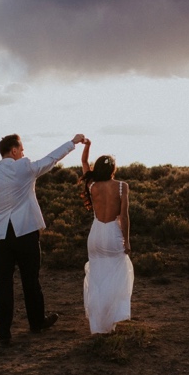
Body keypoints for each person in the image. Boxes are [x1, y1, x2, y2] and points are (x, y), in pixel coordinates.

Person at [0, 133, 86, 347]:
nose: (24, 152)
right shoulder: (26, 168)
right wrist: (72, 143)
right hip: (26, 232)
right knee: (30, 280)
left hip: (0, 236)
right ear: (13, 151)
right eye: (21, 149)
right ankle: (36, 323)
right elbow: (51, 159)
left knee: (2, 284)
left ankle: (3, 332)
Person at [79, 139, 134, 335]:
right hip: (112, 233)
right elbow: (124, 216)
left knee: (97, 277)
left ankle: (99, 325)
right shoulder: (122, 186)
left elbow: (84, 162)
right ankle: (110, 322)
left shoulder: (92, 184)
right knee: (116, 276)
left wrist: (87, 145)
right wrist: (126, 240)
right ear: (113, 169)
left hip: (95, 234)